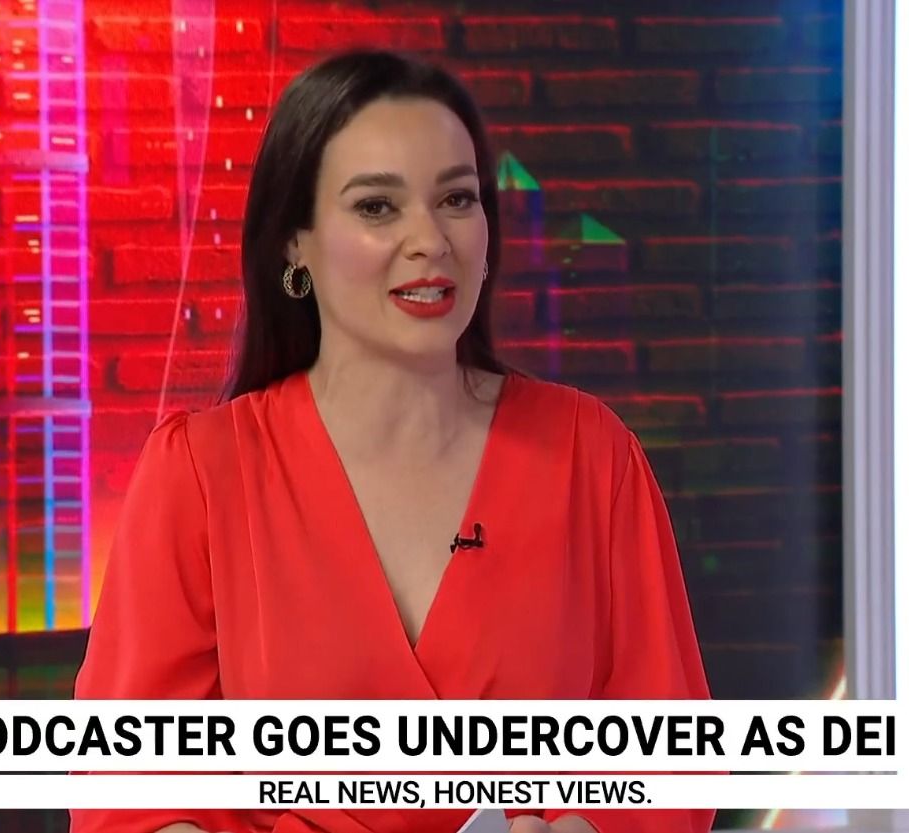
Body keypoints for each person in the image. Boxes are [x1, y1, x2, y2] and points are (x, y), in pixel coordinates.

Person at [72, 49, 713, 833]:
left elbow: (668, 758)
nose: (430, 240)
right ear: (294, 243)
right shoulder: (201, 475)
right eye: (378, 206)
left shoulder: (593, 455)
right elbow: (135, 792)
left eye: (456, 199)